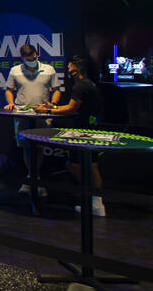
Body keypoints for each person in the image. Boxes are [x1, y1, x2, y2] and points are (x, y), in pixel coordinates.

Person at [35, 56, 106, 216]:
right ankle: (92, 199)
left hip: (87, 131)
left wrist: (47, 110)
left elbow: (71, 109)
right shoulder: (85, 84)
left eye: (70, 65)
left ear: (76, 68)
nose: (67, 68)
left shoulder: (81, 86)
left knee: (90, 165)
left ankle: (95, 202)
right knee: (78, 165)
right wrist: (53, 107)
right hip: (88, 129)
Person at [5, 43, 62, 196]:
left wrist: (53, 104)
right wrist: (10, 103)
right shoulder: (15, 70)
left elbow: (57, 90)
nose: (31, 60)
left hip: (42, 114)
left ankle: (36, 179)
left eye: (33, 57)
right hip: (22, 113)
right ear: (22, 58)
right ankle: (30, 178)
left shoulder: (49, 69)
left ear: (37, 55)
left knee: (39, 147)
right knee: (25, 146)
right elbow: (9, 89)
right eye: (27, 58)